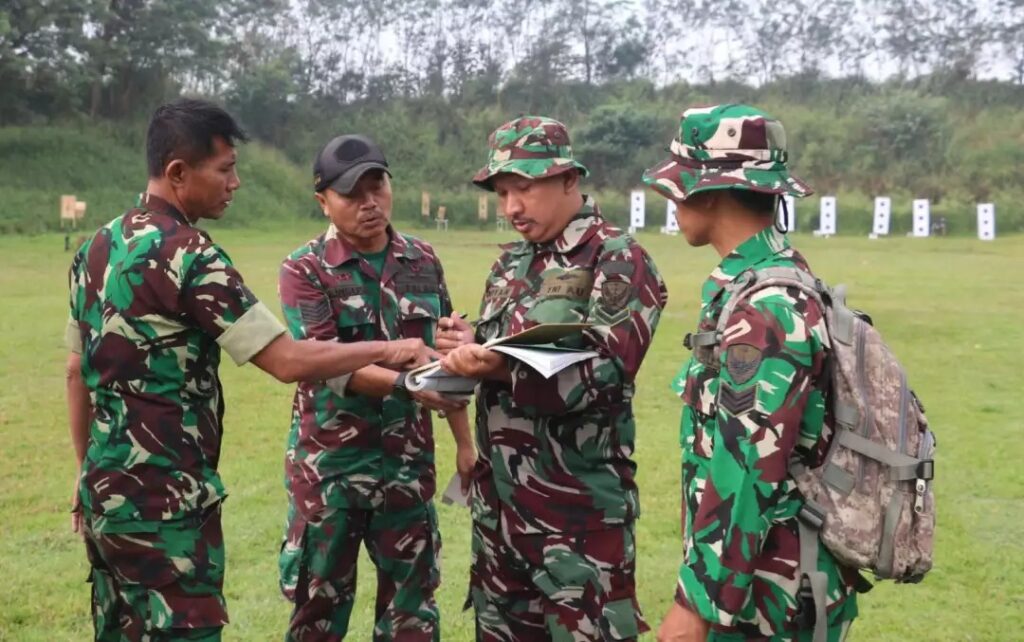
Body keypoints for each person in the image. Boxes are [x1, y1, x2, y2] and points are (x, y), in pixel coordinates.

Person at [64, 99, 433, 642]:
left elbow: (76, 372)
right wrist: (390, 348)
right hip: (166, 504)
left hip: (104, 494)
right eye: (225, 169)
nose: (235, 182)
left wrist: (85, 473)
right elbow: (287, 360)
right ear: (178, 174)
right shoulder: (190, 255)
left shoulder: (95, 246)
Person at [436, 115, 668, 641]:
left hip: (577, 523)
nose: (511, 207)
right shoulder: (512, 265)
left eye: (524, 188)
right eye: (501, 192)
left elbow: (606, 371)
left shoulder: (618, 259)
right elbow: (500, 350)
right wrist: (461, 352)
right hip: (501, 520)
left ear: (569, 180)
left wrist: (497, 364)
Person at [642, 103, 859, 641]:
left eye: (677, 185)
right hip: (766, 577)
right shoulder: (768, 281)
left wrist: (697, 606)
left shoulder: (766, 308)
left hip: (768, 594)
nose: (671, 201)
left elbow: (746, 468)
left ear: (709, 191)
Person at [277, 134, 476, 641]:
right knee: (317, 618)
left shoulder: (422, 259)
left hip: (406, 472)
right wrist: (409, 385)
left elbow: (444, 352)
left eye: (378, 186)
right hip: (332, 478)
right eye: (352, 194)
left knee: (411, 618)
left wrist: (465, 443)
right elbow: (324, 364)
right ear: (323, 201)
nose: (370, 203)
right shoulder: (305, 268)